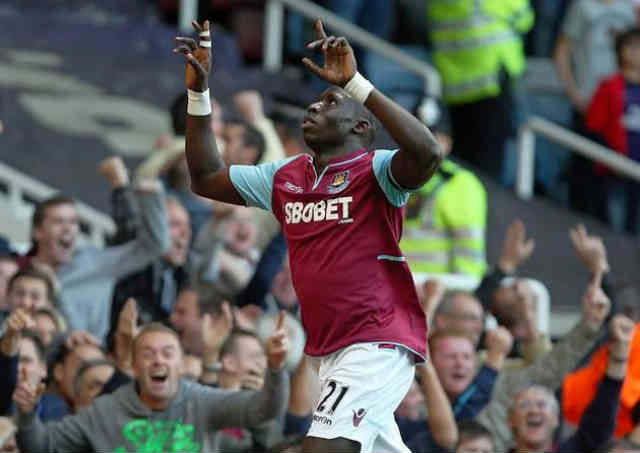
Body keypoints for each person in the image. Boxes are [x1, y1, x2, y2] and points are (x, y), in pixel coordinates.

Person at [173, 17, 443, 453]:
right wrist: (198, 93)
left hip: (376, 337)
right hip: (332, 345)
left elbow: (428, 153)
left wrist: (355, 83)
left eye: (330, 102)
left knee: (320, 448)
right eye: (313, 104)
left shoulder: (376, 170)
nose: (313, 108)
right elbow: (206, 177)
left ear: (361, 127)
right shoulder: (285, 176)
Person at [14, 321, 290, 452]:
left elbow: (264, 409)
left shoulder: (203, 402)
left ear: (181, 365)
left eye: (168, 353)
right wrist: (27, 414)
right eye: (148, 354)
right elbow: (41, 446)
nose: (158, 360)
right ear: (134, 366)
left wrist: (276, 368)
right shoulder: (105, 411)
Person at [21, 177, 170, 341]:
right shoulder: (18, 272)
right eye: (58, 221)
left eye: (73, 222)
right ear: (38, 232)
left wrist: (150, 199)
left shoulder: (96, 263)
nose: (67, 229)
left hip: (91, 358)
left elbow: (154, 246)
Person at [426, 0, 534, 180]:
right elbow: (525, 17)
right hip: (490, 83)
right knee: (487, 170)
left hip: (453, 84)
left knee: (459, 163)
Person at [401, 104, 488, 277]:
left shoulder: (462, 184)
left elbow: (469, 262)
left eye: (433, 138)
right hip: (389, 292)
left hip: (442, 293)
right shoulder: (387, 174)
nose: (423, 144)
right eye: (416, 136)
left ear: (448, 143)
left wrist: (457, 293)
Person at [586, 27, 640, 234]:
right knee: (616, 233)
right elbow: (594, 127)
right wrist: (613, 160)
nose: (636, 52)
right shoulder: (608, 86)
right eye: (631, 45)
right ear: (619, 50)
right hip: (615, 173)